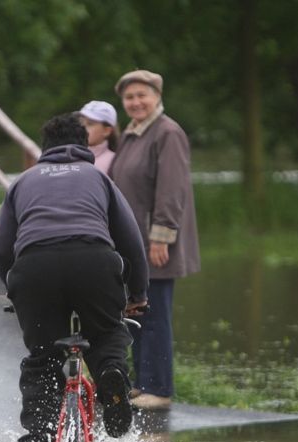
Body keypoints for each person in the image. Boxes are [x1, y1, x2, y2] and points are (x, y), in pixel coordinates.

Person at [0, 113, 149, 442]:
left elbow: (2, 248)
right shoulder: (98, 178)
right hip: (93, 262)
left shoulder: (23, 182)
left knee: (43, 359)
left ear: (43, 149)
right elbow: (131, 242)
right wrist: (137, 294)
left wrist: (15, 290)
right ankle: (110, 373)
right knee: (108, 331)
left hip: (34, 269)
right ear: (85, 147)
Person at [108, 69, 200, 411]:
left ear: (157, 97)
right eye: (129, 97)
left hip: (155, 243)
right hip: (133, 244)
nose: (135, 102)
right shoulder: (133, 133)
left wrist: (161, 237)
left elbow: (172, 189)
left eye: (142, 95)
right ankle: (140, 382)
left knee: (155, 314)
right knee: (136, 311)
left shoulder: (167, 133)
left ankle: (158, 389)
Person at [78, 100, 119, 175]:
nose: (83, 128)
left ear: (107, 130)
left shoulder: (115, 162)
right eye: (81, 122)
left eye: (90, 124)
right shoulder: (71, 157)